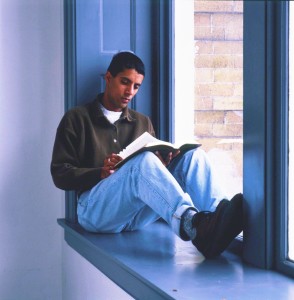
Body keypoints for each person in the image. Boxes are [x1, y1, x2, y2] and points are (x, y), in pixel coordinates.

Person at [51, 51, 243, 259]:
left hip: (135, 214)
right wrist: (100, 172)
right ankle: (191, 224)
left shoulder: (142, 122)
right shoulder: (77, 118)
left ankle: (218, 222)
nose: (130, 91)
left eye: (136, 86)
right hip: (94, 211)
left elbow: (149, 174)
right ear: (108, 78)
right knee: (141, 162)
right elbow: (60, 174)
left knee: (193, 157)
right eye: (125, 82)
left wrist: (164, 161)